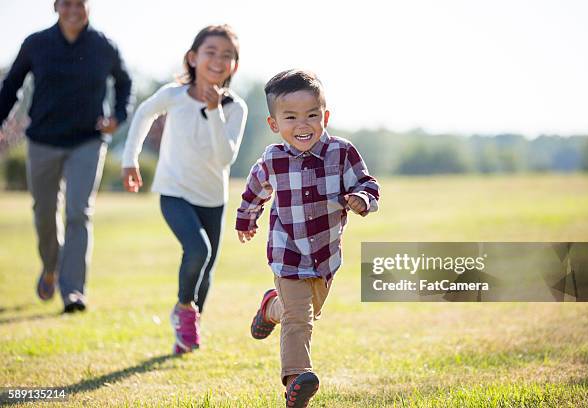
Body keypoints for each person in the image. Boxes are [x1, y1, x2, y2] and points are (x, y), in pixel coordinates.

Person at [236, 70, 380, 407]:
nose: (303, 124)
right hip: (288, 253)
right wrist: (246, 220)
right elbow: (254, 193)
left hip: (325, 256)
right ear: (274, 124)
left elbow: (367, 183)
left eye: (312, 115)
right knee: (299, 319)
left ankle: (269, 308)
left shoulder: (342, 153)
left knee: (302, 312)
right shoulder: (273, 159)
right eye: (291, 117)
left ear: (325, 116)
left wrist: (362, 199)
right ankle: (296, 379)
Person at [121, 25, 247, 355]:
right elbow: (144, 114)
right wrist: (130, 159)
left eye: (227, 55)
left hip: (213, 199)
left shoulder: (236, 108)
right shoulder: (173, 96)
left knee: (205, 272)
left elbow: (225, 158)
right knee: (198, 250)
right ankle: (183, 310)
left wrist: (214, 111)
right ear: (193, 58)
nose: (218, 60)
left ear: (234, 65)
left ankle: (187, 332)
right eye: (210, 52)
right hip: (174, 191)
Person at [0, 0, 132, 313]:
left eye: (80, 4)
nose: (74, 10)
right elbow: (11, 86)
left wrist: (118, 115)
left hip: (87, 141)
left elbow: (125, 83)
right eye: (67, 3)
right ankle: (50, 267)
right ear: (56, 7)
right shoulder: (36, 44)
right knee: (43, 212)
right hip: (43, 141)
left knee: (78, 212)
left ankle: (73, 291)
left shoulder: (104, 46)